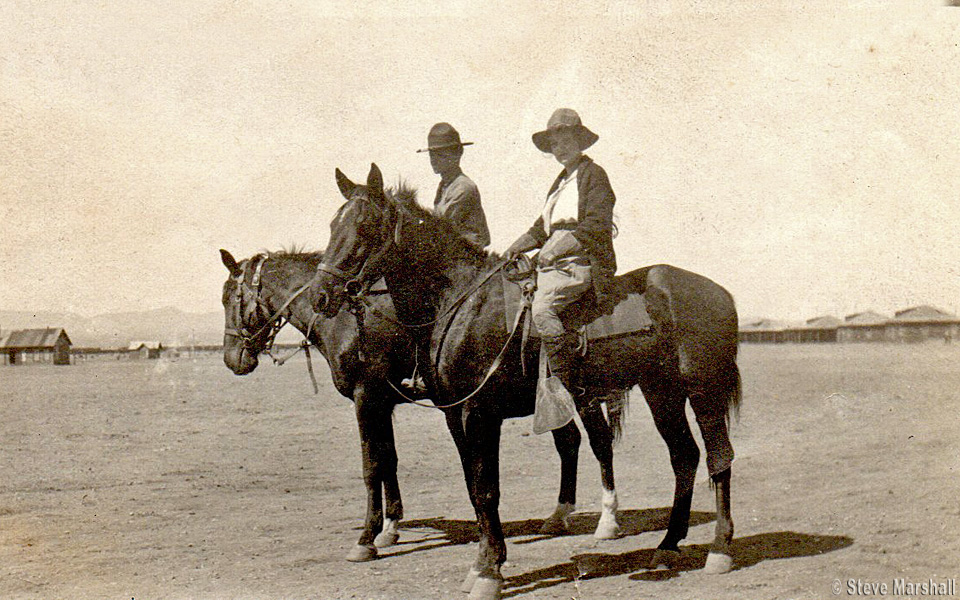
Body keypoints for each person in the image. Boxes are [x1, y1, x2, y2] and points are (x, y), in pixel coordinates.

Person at [505, 108, 617, 397]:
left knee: (542, 308)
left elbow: (596, 225)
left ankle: (566, 385)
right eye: (554, 144)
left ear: (579, 140)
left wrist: (556, 251)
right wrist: (514, 248)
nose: (560, 148)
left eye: (565, 140)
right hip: (552, 260)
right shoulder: (560, 183)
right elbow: (540, 230)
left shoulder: (593, 175)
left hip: (578, 260)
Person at [417, 122, 491, 249]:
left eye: (440, 154)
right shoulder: (446, 185)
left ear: (457, 154)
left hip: (469, 256)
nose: (434, 160)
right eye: (431, 155)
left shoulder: (463, 187)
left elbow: (440, 226)